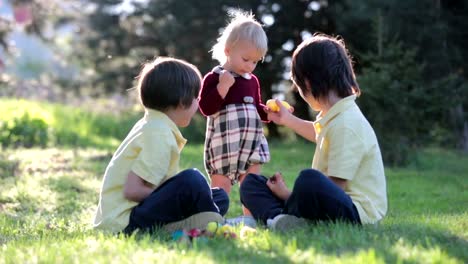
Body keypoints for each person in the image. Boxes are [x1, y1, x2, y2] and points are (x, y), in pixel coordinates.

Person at [240, 34, 388, 230]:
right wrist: (287, 120)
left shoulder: (347, 124)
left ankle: (283, 216)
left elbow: (335, 187)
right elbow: (319, 135)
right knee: (251, 183)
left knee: (309, 180)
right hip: (330, 204)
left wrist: (288, 196)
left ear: (308, 83)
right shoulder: (336, 115)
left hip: (355, 213)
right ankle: (281, 220)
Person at [93, 57, 229, 234]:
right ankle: (213, 223)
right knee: (193, 180)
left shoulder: (152, 124)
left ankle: (184, 224)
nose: (198, 103)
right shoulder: (159, 133)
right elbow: (132, 190)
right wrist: (172, 198)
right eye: (197, 97)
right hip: (126, 223)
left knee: (219, 196)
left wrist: (172, 198)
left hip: (135, 212)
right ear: (182, 101)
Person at [198, 10, 270, 209]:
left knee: (251, 184)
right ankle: (215, 217)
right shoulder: (214, 77)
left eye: (255, 62)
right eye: (246, 59)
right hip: (224, 141)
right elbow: (205, 108)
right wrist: (222, 87)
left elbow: (256, 108)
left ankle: (250, 220)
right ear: (228, 51)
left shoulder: (252, 81)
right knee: (221, 185)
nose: (250, 66)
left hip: (251, 140)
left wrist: (270, 113)